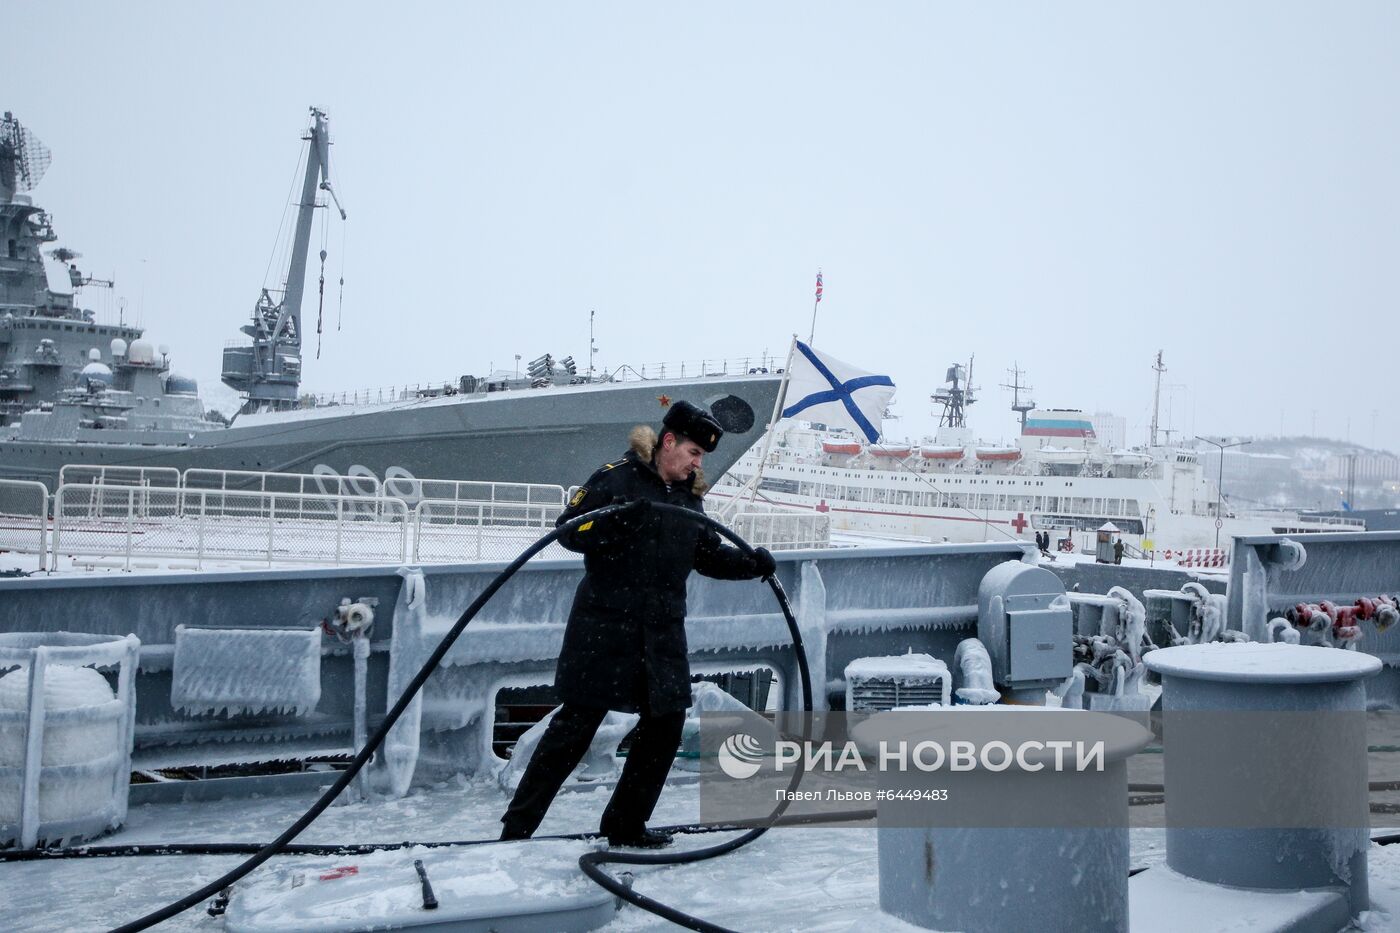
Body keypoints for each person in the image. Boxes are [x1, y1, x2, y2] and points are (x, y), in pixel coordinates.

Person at [499, 400, 776, 848]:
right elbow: (570, 530)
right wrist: (620, 522)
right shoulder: (616, 478)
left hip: (661, 634)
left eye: (700, 458)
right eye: (693, 453)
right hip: (604, 631)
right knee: (573, 731)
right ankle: (516, 830)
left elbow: (705, 555)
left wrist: (751, 564)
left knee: (665, 727)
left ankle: (625, 826)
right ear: (668, 443)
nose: (696, 463)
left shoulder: (689, 499)